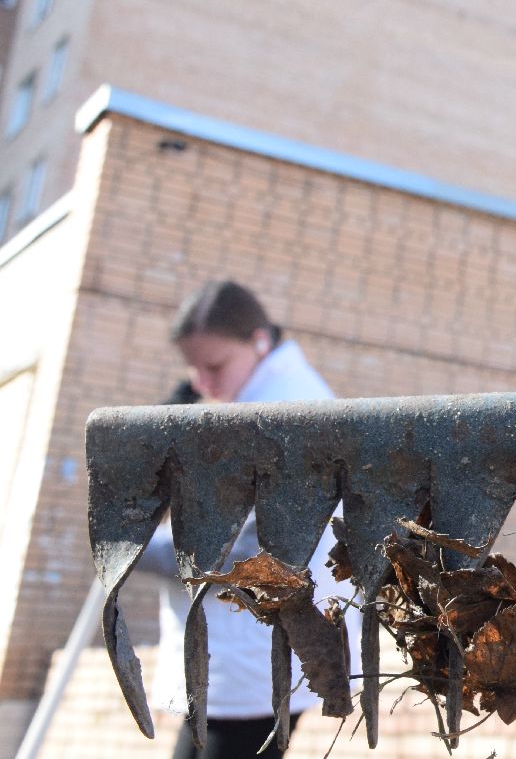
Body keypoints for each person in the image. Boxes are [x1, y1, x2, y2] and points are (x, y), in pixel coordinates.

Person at [135, 280, 357, 759]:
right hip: (232, 654)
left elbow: (254, 555)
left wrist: (136, 550)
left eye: (214, 366)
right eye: (193, 368)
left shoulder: (288, 410)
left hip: (258, 651)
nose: (201, 383)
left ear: (258, 340)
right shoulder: (254, 400)